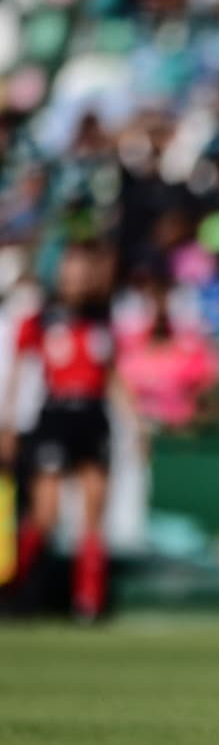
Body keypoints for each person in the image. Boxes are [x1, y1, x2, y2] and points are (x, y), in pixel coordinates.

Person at [1, 240, 120, 621]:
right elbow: (20, 372)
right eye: (71, 270)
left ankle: (88, 601)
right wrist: (8, 423)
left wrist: (135, 425)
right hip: (54, 413)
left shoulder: (101, 318)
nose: (77, 278)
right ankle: (20, 591)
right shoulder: (41, 319)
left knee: (93, 513)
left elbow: (114, 375)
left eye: (84, 270)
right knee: (45, 513)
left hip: (92, 413)